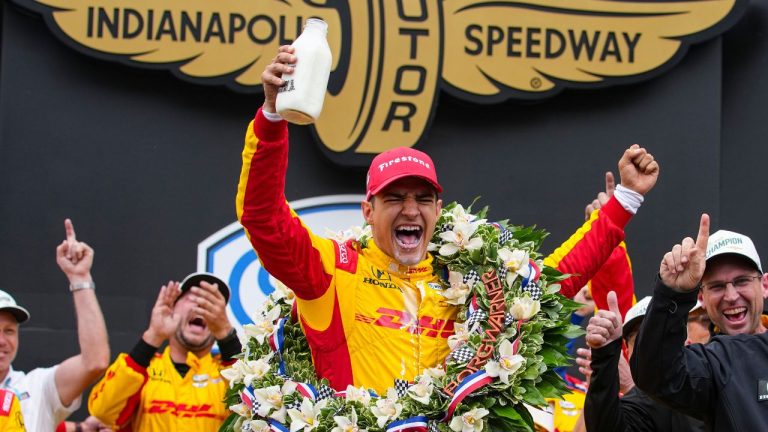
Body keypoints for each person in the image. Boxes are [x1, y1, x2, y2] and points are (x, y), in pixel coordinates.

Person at [236, 45, 660, 394]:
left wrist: (624, 199)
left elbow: (554, 282)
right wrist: (272, 117)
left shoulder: (470, 275)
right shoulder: (330, 269)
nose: (410, 209)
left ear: (439, 211)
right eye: (394, 198)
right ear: (368, 212)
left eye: (423, 198)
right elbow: (262, 218)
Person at [631, 214, 768, 430]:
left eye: (742, 281)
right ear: (701, 298)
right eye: (717, 286)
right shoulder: (711, 364)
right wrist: (674, 292)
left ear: (765, 285)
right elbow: (655, 375)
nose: (731, 296)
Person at [88, 273, 241, 431]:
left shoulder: (228, 375)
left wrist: (227, 337)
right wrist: (153, 336)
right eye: (193, 298)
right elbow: (103, 412)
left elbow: (253, 411)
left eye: (212, 304)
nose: (201, 305)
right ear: (172, 307)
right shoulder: (142, 370)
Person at [0, 219, 110, 431]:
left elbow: (94, 361)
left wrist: (80, 278)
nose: (2, 341)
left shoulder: (35, 387)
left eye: (9, 331)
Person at [582, 294, 706, 431]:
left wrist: (631, 386)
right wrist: (604, 362)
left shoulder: (706, 381)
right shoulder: (629, 407)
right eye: (639, 339)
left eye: (662, 335)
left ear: (686, 343)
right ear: (628, 354)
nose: (651, 347)